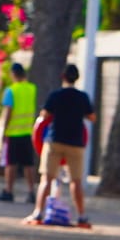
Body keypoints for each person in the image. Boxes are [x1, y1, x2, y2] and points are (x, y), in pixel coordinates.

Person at [23, 63, 96, 227]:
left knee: (47, 179)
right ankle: (82, 216)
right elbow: (92, 117)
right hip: (76, 142)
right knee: (76, 181)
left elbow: (45, 115)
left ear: (63, 76)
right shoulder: (82, 97)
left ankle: (38, 213)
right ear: (77, 78)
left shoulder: (55, 95)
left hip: (54, 140)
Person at [0, 62, 37, 203]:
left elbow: (8, 112)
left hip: (13, 132)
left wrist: (5, 131)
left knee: (11, 163)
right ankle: (32, 192)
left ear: (13, 74)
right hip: (27, 132)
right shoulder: (32, 89)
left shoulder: (11, 91)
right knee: (28, 164)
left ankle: (9, 190)